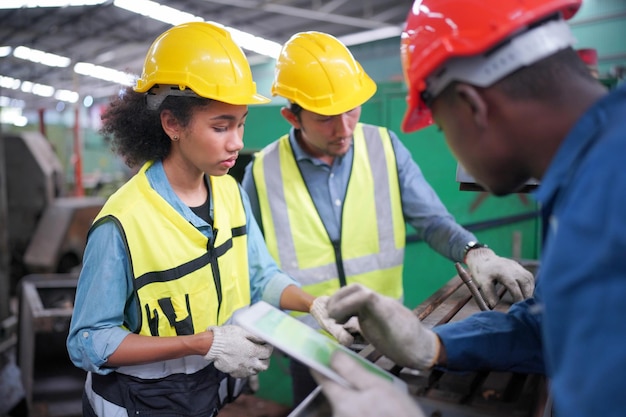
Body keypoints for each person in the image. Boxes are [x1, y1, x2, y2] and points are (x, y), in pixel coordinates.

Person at [314, 0, 626, 416]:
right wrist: (437, 344)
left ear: (473, 106)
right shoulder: (590, 177)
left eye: (442, 127)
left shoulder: (607, 198)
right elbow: (552, 328)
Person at [66, 21, 350, 417]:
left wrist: (313, 303)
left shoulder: (230, 193)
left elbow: (260, 275)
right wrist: (204, 343)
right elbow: (89, 342)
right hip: (141, 405)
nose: (236, 142)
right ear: (172, 124)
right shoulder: (123, 223)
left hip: (211, 396)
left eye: (241, 123)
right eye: (221, 127)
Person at [240, 30, 534, 404]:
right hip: (311, 343)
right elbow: (253, 267)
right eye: (327, 117)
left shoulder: (385, 147)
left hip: (387, 334)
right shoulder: (263, 172)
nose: (345, 128)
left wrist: (475, 252)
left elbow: (432, 221)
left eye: (351, 109)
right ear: (291, 116)